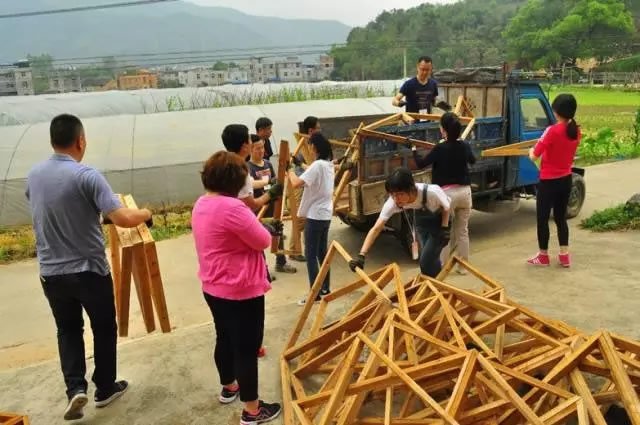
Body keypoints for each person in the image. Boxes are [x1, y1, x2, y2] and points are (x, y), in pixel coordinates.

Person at [26, 114, 152, 421]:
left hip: (51, 273)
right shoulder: (87, 175)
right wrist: (145, 213)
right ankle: (105, 388)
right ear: (80, 141)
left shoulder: (34, 175)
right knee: (104, 326)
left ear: (52, 141)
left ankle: (75, 389)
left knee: (68, 329)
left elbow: (56, 208)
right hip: (89, 270)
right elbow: (122, 218)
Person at [191, 151, 281, 424]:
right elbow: (262, 241)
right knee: (246, 348)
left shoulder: (202, 203)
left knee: (224, 338)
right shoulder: (233, 208)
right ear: (234, 180)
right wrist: (267, 229)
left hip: (213, 286)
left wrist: (260, 226)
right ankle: (252, 411)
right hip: (240, 290)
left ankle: (229, 387)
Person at [349, 167, 451, 278]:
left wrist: (445, 229)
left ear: (411, 189)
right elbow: (376, 228)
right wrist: (361, 255)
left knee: (425, 262)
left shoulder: (432, 192)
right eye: (392, 194)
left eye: (400, 194)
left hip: (440, 223)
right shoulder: (392, 203)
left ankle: (433, 283)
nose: (396, 199)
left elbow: (447, 208)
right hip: (422, 222)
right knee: (430, 257)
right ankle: (436, 282)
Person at [412, 112, 476, 273]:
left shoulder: (440, 148)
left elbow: (421, 164)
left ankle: (443, 267)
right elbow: (473, 160)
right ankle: (463, 267)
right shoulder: (464, 145)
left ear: (444, 130)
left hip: (447, 195)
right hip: (465, 193)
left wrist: (413, 149)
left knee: (443, 231)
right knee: (462, 232)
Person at [527, 94, 581, 268]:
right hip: (566, 179)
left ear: (556, 111)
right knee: (560, 218)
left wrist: (530, 151)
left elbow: (534, 155)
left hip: (548, 182)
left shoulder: (552, 131)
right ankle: (564, 255)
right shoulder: (576, 131)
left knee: (542, 219)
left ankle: (543, 256)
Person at [288, 132, 335, 305]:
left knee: (311, 254)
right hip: (325, 215)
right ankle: (325, 289)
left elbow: (295, 183)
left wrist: (289, 170)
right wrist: (299, 164)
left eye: (310, 145)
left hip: (315, 216)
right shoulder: (328, 165)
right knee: (322, 253)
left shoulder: (318, 165)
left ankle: (314, 295)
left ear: (314, 147)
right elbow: (311, 170)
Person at [247, 134, 297, 274]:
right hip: (258, 206)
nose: (261, 151)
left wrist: (276, 186)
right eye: (258, 148)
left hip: (272, 204)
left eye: (262, 147)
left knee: (278, 232)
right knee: (258, 237)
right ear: (250, 150)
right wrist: (268, 183)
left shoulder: (267, 164)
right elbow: (251, 184)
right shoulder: (248, 167)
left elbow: (276, 181)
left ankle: (281, 262)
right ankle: (263, 269)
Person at [221, 124, 283, 212]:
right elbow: (251, 205)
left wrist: (269, 183)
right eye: (249, 139)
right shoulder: (239, 170)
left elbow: (249, 183)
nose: (251, 142)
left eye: (262, 147)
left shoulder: (225, 165)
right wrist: (270, 193)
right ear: (244, 146)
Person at [288, 116, 322, 263]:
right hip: (301, 186)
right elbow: (302, 172)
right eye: (318, 128)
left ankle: (305, 247)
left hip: (306, 185)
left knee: (306, 219)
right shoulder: (303, 148)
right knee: (300, 219)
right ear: (311, 130)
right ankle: (294, 250)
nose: (320, 130)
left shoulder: (309, 145)